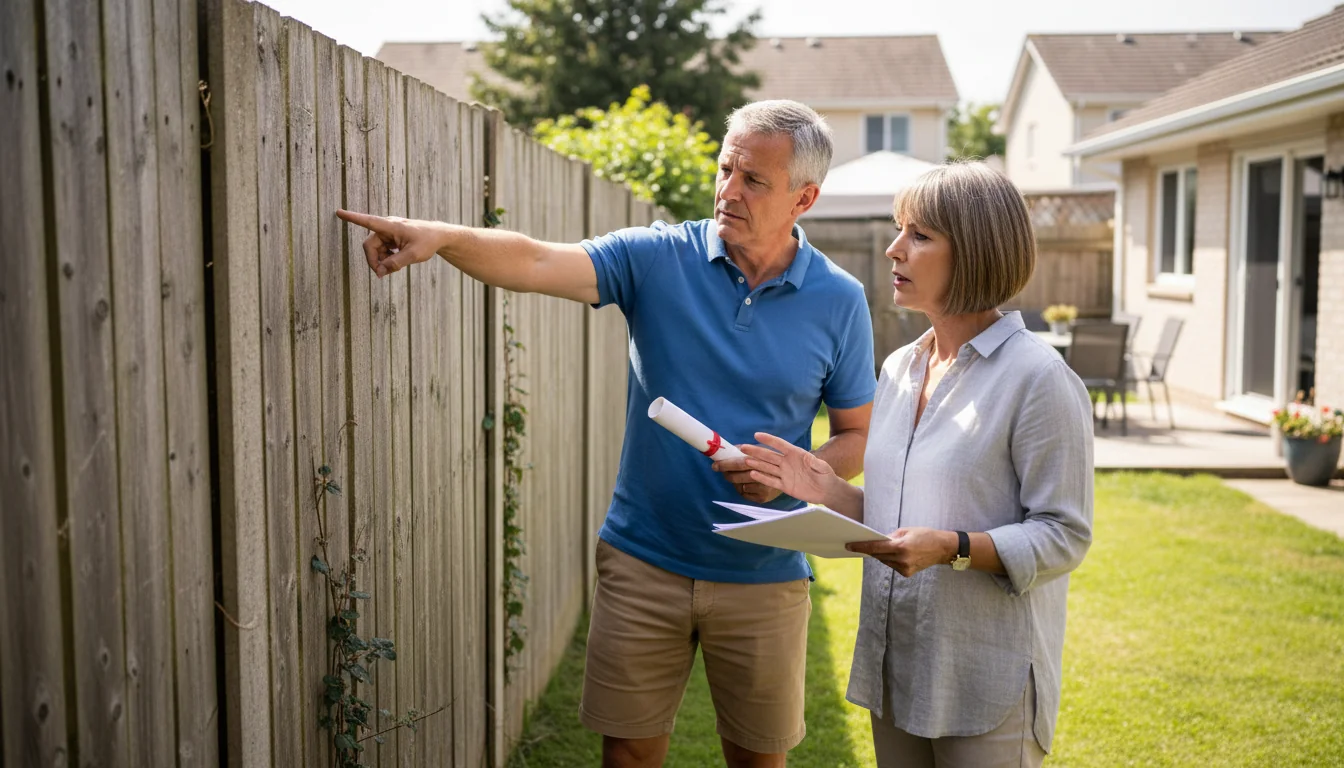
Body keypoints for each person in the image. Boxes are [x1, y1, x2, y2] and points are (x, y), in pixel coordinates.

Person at [335, 100, 876, 768]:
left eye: (753, 180)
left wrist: (796, 474)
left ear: (804, 198)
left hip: (764, 576)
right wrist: (440, 236)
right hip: (643, 560)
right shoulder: (658, 258)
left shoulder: (841, 299)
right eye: (725, 168)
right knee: (626, 756)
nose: (727, 190)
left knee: (757, 761)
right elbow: (535, 262)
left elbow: (855, 434)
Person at [738, 163, 1093, 768]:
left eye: (920, 235)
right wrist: (825, 489)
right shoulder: (901, 367)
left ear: (977, 252)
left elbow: (1064, 534)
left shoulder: (1038, 379)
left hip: (985, 676)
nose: (893, 248)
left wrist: (952, 546)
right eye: (901, 229)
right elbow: (895, 518)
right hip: (898, 664)